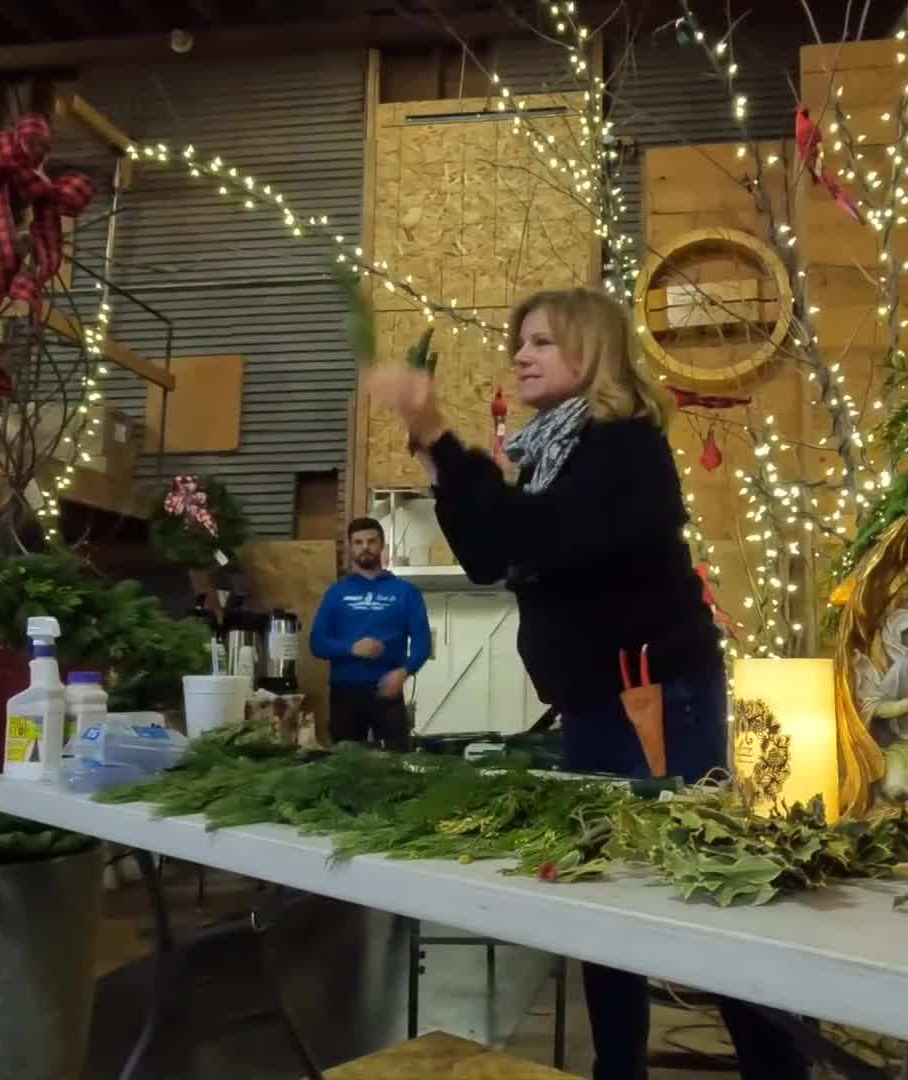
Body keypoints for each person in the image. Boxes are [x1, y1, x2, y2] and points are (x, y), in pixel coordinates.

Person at [365, 286, 809, 1080]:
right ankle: (618, 1069)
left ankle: (779, 1069)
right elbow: (487, 553)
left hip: (653, 699)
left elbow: (528, 537)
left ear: (589, 349)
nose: (520, 356)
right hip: (597, 703)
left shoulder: (622, 449)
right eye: (519, 343)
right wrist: (435, 451)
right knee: (604, 898)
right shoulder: (553, 455)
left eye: (538, 341)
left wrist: (438, 433)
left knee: (705, 883)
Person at [310, 516, 432, 751]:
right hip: (344, 694)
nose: (365, 547)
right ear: (349, 547)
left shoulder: (406, 592)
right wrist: (351, 649)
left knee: (396, 765)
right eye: (358, 542)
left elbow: (422, 643)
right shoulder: (336, 593)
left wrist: (405, 672)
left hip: (387, 695)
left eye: (371, 541)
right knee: (345, 765)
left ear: (381, 545)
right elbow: (317, 643)